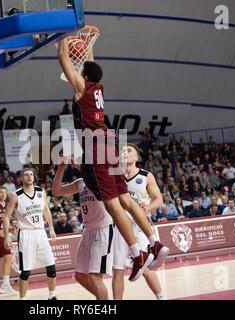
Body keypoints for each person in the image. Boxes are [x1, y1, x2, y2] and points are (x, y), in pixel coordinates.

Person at [58, 36, 168, 281]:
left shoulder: (82, 87)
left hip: (96, 145)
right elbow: (91, 62)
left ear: (84, 76)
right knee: (124, 198)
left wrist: (62, 36)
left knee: (112, 204)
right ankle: (154, 243)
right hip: (108, 142)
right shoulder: (98, 86)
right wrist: (87, 45)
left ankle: (137, 254)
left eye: (81, 72)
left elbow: (63, 58)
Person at [52, 156, 114, 300]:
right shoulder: (80, 183)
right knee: (80, 276)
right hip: (87, 230)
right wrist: (61, 169)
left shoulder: (101, 178)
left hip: (102, 228)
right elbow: (56, 191)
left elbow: (96, 175)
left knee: (95, 277)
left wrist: (79, 166)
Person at [113, 144, 166, 300]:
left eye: (129, 151)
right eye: (123, 151)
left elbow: (159, 199)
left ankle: (161, 297)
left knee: (145, 268)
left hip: (140, 226)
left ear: (136, 157)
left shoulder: (146, 175)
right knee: (118, 269)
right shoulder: (115, 176)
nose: (125, 153)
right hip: (120, 226)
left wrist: (149, 206)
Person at [3, 168, 57, 300]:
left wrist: (51, 228)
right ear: (22, 178)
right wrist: (6, 236)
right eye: (26, 175)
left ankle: (52, 296)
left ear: (34, 177)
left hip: (41, 233)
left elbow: (46, 210)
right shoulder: (16, 195)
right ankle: (23, 298)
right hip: (26, 235)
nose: (29, 177)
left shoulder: (41, 191)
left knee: (51, 267)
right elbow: (6, 217)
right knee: (25, 272)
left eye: (31, 174)